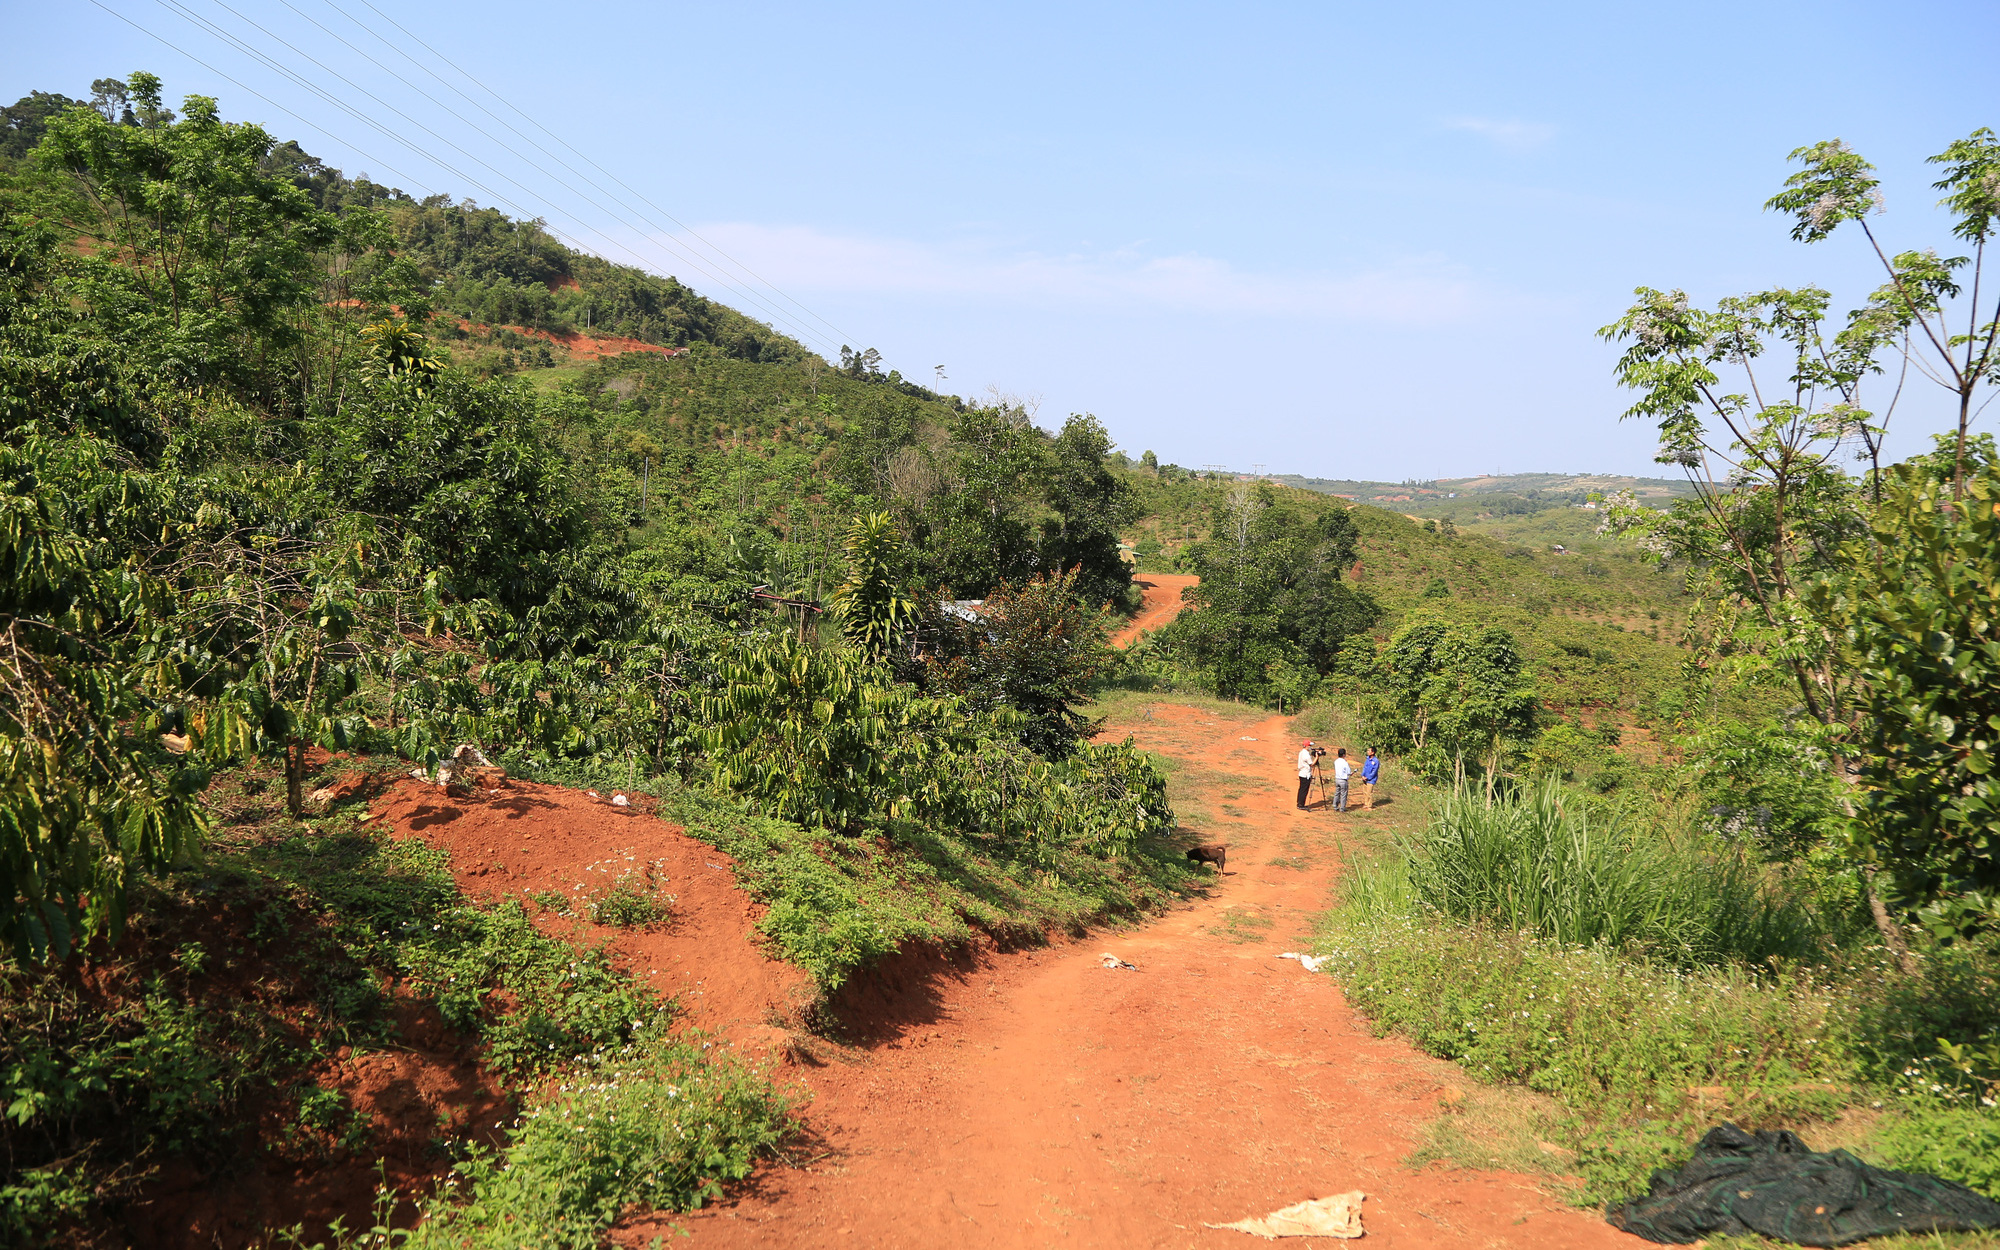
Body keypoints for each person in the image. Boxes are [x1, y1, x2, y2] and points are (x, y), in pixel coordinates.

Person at [1296, 740, 1318, 810]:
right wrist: (1317, 757)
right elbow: (1311, 764)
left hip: (1302, 773)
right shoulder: (1306, 754)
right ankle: (1301, 805)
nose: (1310, 747)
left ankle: (1300, 803)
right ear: (1307, 746)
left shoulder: (1302, 752)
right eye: (1310, 746)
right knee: (1304, 790)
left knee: (1302, 789)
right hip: (1306, 774)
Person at [1332, 747, 1352, 812]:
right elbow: (1348, 772)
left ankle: (1335, 805)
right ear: (1344, 755)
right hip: (1343, 780)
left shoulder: (1336, 761)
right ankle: (1342, 808)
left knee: (1337, 793)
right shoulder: (1345, 763)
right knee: (1343, 794)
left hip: (1337, 779)